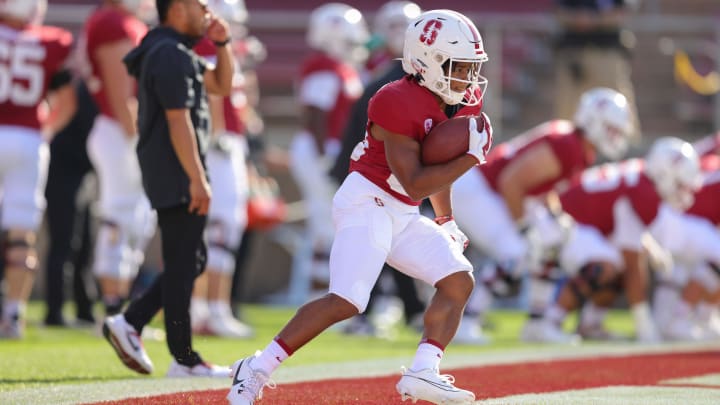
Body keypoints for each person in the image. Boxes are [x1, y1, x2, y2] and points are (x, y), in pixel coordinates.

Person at [227, 9, 492, 405]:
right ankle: (256, 367)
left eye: (472, 68)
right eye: (459, 67)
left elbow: (434, 174)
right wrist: (471, 156)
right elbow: (415, 180)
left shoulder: (450, 100)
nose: (467, 78)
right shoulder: (394, 98)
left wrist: (445, 218)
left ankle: (424, 371)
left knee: (458, 280)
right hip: (366, 202)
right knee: (348, 300)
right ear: (428, 61)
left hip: (400, 211)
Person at [101, 0, 234, 377]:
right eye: (200, 5)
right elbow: (179, 121)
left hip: (171, 168)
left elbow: (221, 85)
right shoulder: (169, 53)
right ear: (177, 8)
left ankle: (130, 322)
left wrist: (222, 45)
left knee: (192, 260)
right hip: (177, 169)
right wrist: (197, 177)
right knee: (182, 262)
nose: (208, 12)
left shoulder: (173, 51)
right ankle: (184, 358)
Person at [451, 87, 633, 344]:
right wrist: (524, 228)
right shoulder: (567, 145)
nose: (615, 136)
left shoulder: (576, 145)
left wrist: (557, 218)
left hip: (494, 192)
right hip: (478, 189)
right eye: (612, 129)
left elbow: (543, 186)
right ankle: (465, 321)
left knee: (553, 242)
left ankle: (538, 324)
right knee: (518, 252)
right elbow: (511, 182)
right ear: (595, 122)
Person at [523, 137, 703, 343]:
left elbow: (625, 230)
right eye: (680, 185)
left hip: (575, 225)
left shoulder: (641, 179)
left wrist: (650, 248)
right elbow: (633, 264)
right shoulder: (643, 193)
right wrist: (645, 326)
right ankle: (549, 322)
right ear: (665, 174)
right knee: (607, 267)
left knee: (617, 267)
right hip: (562, 225)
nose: (683, 192)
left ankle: (591, 324)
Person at [329, 1, 426, 337]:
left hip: (376, 174)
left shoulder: (381, 78)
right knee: (375, 245)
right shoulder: (395, 84)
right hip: (376, 177)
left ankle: (403, 309)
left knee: (387, 244)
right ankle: (376, 312)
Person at [0, 0, 76, 339]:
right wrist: (42, 133)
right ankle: (14, 314)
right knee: (21, 234)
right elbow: (68, 102)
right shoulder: (50, 40)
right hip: (29, 139)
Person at [82, 0, 156, 319]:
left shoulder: (121, 22)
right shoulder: (113, 22)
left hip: (123, 131)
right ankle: (113, 310)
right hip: (119, 131)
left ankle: (123, 312)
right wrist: (136, 137)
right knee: (120, 216)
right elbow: (120, 91)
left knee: (136, 220)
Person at [288, 3, 368, 296]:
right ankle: (321, 298)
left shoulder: (340, 68)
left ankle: (323, 296)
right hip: (320, 148)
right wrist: (324, 155)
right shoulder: (324, 66)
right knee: (327, 223)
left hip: (326, 147)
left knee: (329, 223)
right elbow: (315, 112)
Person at [189, 0, 253, 339]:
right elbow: (213, 93)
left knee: (220, 228)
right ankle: (210, 307)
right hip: (219, 143)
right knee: (221, 227)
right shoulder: (208, 45)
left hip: (227, 141)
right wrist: (216, 134)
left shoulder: (225, 47)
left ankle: (206, 307)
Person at [43, 80, 99, 327]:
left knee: (84, 243)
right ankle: (54, 311)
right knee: (64, 242)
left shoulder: (93, 87)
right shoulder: (74, 86)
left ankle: (84, 307)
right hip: (61, 170)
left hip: (82, 173)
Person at [553, 0, 640, 136]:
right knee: (568, 109)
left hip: (606, 53)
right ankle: (564, 147)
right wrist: (577, 19)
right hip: (573, 54)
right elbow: (559, 12)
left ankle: (628, 146)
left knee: (617, 102)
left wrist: (594, 20)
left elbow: (623, 11)